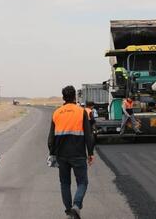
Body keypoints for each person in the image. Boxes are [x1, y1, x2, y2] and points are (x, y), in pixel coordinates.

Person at [48, 85, 95, 219]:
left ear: (63, 97)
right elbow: (88, 135)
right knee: (82, 182)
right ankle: (76, 206)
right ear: (74, 97)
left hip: (61, 155)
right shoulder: (81, 112)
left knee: (65, 183)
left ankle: (70, 212)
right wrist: (90, 153)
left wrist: (52, 154)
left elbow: (50, 138)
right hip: (78, 154)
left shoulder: (56, 113)